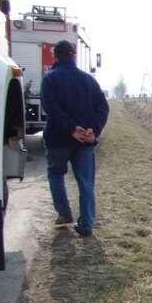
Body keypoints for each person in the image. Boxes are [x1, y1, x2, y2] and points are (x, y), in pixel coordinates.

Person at [41, 40, 109, 237]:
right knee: (86, 182)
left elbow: (51, 107)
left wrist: (71, 128)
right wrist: (94, 129)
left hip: (58, 140)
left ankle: (64, 214)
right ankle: (86, 224)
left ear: (55, 56)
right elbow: (103, 107)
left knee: (56, 175)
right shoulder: (89, 80)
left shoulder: (50, 79)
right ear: (73, 56)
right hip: (85, 142)